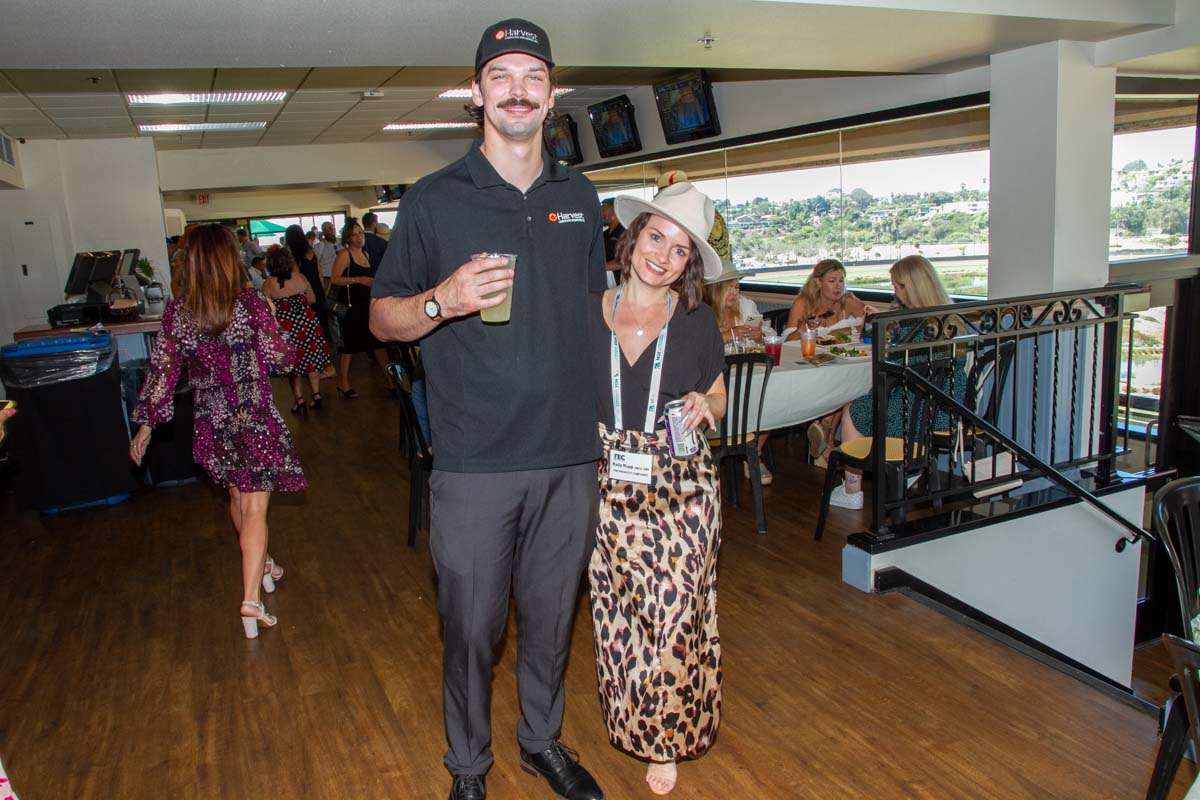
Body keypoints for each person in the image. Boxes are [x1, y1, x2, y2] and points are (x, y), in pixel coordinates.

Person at [369, 18, 606, 800]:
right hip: (475, 461)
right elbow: (382, 319)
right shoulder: (433, 201)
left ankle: (542, 743)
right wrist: (442, 299)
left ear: (552, 94)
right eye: (500, 75)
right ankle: (468, 768)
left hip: (569, 455)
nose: (517, 90)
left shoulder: (579, 196)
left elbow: (594, 314)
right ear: (476, 93)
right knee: (472, 630)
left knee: (551, 620)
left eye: (532, 76)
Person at [588, 181, 727, 796]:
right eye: (656, 237)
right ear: (633, 236)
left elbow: (719, 396)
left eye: (679, 250)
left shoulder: (696, 321)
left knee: (674, 612)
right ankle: (631, 716)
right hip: (606, 485)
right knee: (619, 615)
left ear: (688, 264)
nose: (662, 256)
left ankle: (665, 736)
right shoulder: (586, 311)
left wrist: (706, 404)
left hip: (683, 487)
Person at [129, 224, 304, 638]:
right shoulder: (251, 304)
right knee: (256, 509)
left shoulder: (179, 313)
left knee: (239, 501)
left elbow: (162, 371)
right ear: (229, 260)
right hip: (253, 415)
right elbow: (284, 360)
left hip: (212, 421)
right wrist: (274, 320)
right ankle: (250, 601)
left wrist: (145, 426)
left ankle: (264, 565)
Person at [830, 255, 963, 509]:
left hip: (918, 412)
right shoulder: (949, 319)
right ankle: (910, 469)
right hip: (949, 407)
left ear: (910, 287)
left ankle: (852, 489)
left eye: (897, 286)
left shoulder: (911, 326)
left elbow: (894, 369)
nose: (894, 291)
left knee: (853, 409)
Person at [784, 259, 876, 466]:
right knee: (841, 384)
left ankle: (825, 434)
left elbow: (873, 321)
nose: (838, 286)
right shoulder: (803, 303)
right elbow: (788, 341)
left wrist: (848, 329)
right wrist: (806, 328)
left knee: (845, 382)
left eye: (841, 281)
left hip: (838, 362)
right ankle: (827, 440)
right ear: (818, 282)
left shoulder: (848, 301)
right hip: (808, 366)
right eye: (832, 281)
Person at [703, 262, 773, 484]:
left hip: (747, 375)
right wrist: (729, 334)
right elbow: (699, 346)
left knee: (770, 396)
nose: (734, 292)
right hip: (715, 385)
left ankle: (755, 451)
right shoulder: (701, 312)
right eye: (729, 287)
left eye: (737, 287)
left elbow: (769, 333)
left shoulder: (745, 306)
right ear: (715, 289)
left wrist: (760, 336)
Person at [260, 246, 332, 414]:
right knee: (312, 359)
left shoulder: (268, 284)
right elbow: (312, 299)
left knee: (292, 363)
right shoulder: (300, 278)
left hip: (286, 328)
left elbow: (266, 309)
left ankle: (299, 399)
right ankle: (316, 394)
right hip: (307, 324)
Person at [330, 220, 394, 398]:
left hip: (368, 305)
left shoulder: (365, 253)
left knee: (378, 343)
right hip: (352, 308)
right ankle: (344, 383)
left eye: (360, 233)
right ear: (348, 238)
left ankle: (391, 382)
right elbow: (335, 279)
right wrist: (359, 280)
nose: (359, 237)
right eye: (354, 235)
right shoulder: (345, 255)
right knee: (351, 346)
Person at [600, 197, 624, 277]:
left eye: (603, 209)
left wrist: (599, 267)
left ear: (614, 211)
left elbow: (623, 261)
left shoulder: (625, 233)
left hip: (619, 282)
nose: (600, 214)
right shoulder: (603, 235)